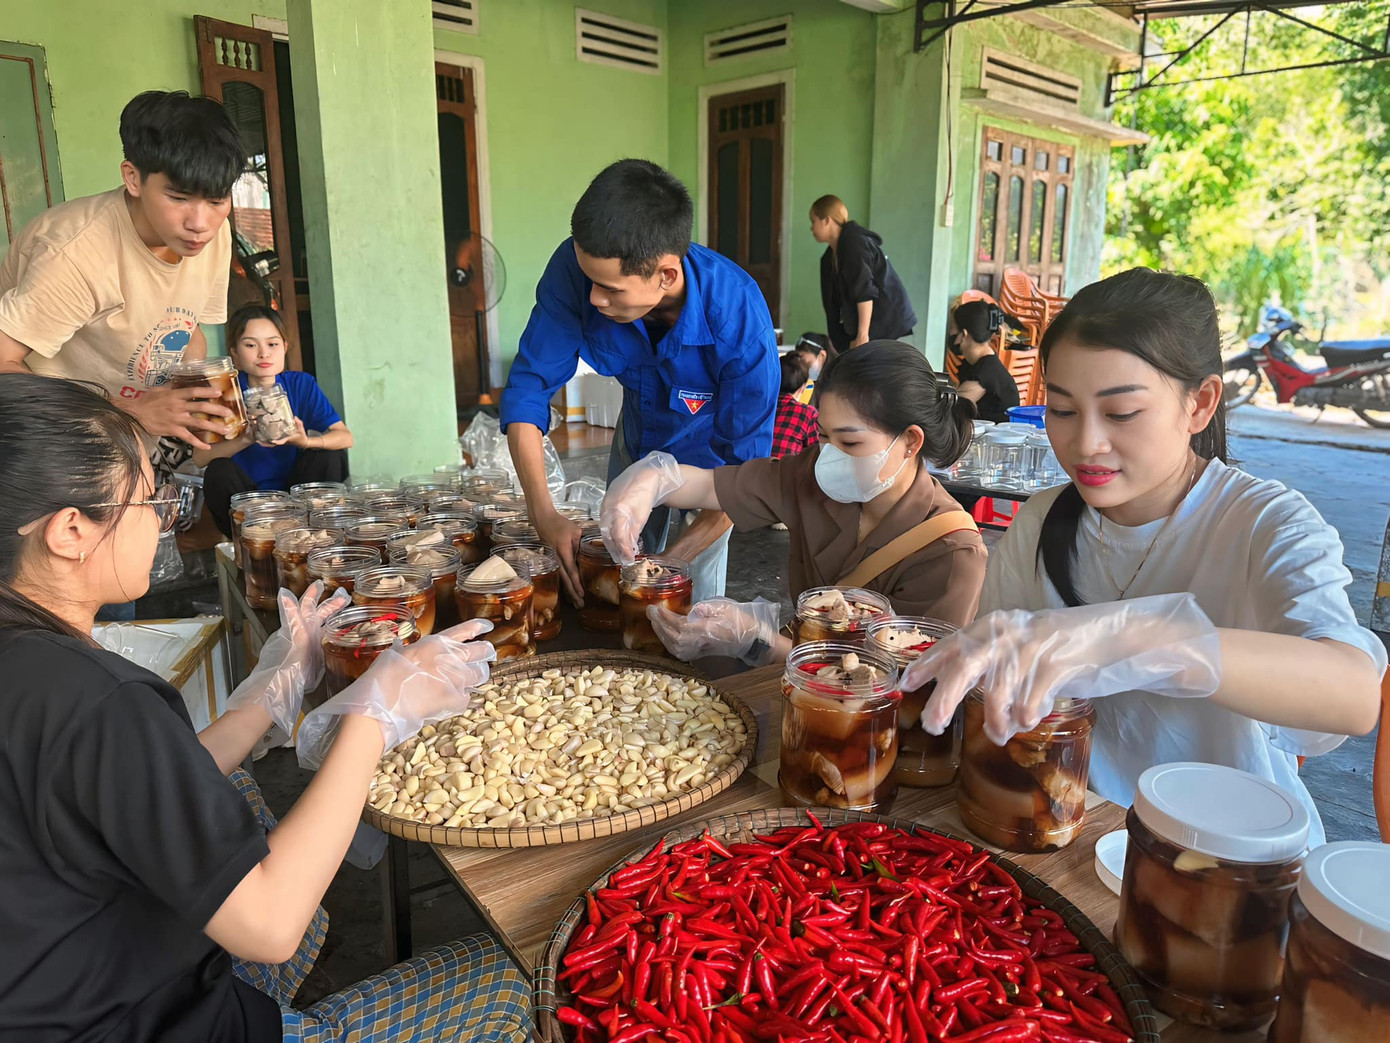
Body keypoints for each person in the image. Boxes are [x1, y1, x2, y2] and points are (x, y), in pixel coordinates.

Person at [0, 375, 528, 1041]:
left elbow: (116, 785)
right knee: (516, 973)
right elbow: (271, 923)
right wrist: (375, 715)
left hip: (66, 980)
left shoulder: (32, 666)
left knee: (243, 796)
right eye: (147, 499)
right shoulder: (99, 696)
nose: (163, 517)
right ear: (71, 530)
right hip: (147, 1021)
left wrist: (264, 700)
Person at [902, 269, 1387, 846]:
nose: (1085, 444)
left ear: (1200, 404)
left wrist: (1141, 636)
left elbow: (1354, 694)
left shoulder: (1264, 523)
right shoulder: (1040, 521)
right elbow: (992, 684)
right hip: (1063, 835)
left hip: (1221, 859)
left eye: (1122, 413)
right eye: (1061, 409)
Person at [600, 340, 987, 667]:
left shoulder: (952, 552)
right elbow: (710, 487)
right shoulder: (814, 475)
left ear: (911, 442)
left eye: (850, 443)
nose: (830, 455)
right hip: (794, 685)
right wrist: (650, 480)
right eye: (821, 436)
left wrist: (757, 639)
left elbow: (895, 682)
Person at [501, 159, 779, 604]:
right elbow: (528, 389)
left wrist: (671, 565)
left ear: (666, 275)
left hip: (712, 459)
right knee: (614, 566)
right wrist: (543, 512)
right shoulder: (577, 270)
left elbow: (744, 479)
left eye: (610, 289)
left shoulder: (740, 322)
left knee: (694, 600)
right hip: (639, 431)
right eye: (590, 281)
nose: (594, 297)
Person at [0, 90, 243, 450]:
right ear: (133, 178)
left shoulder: (213, 235)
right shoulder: (76, 253)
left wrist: (197, 393)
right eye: (178, 198)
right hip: (48, 444)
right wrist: (131, 409)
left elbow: (187, 330)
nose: (200, 223)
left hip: (127, 439)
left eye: (217, 200)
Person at [195, 305, 354, 537]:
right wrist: (247, 438)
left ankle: (318, 533)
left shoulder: (301, 384)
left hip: (297, 493)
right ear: (235, 353)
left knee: (329, 454)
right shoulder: (224, 391)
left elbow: (345, 437)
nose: (264, 354)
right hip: (247, 496)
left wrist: (305, 441)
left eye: (272, 344)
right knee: (218, 471)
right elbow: (200, 458)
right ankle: (245, 542)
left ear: (285, 347)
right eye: (250, 345)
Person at [810, 195, 916, 354]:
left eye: (813, 221)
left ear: (826, 220)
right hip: (866, 328)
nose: (811, 228)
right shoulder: (829, 257)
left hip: (884, 323)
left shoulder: (854, 244)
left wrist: (862, 335)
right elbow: (832, 304)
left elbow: (864, 291)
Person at [950, 300, 1021, 423]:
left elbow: (950, 411)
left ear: (964, 334)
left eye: (953, 329)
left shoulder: (983, 375)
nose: (950, 333)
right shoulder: (979, 364)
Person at [771, 352, 819, 460]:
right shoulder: (807, 414)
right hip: (785, 474)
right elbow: (816, 456)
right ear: (803, 387)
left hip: (751, 471)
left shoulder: (759, 407)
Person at [792, 332, 834, 406]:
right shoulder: (807, 386)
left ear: (822, 356)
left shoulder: (836, 385)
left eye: (805, 362)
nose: (801, 367)